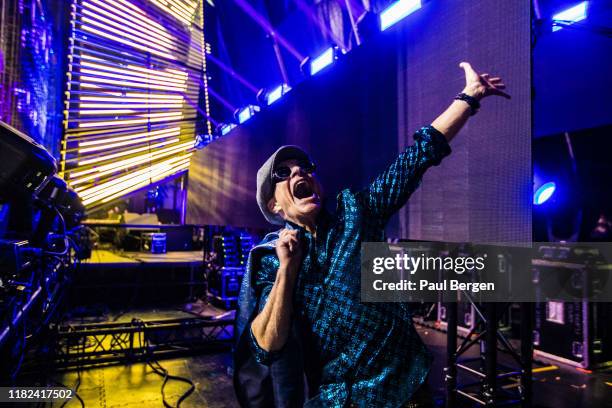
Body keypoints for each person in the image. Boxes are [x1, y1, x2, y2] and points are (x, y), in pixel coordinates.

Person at [234, 62, 510, 407]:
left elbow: (415, 160)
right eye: (283, 172)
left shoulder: (355, 214)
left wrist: (468, 97)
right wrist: (287, 270)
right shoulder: (270, 261)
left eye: (304, 167)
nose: (299, 172)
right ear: (273, 206)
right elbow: (266, 347)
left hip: (403, 388)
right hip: (339, 399)